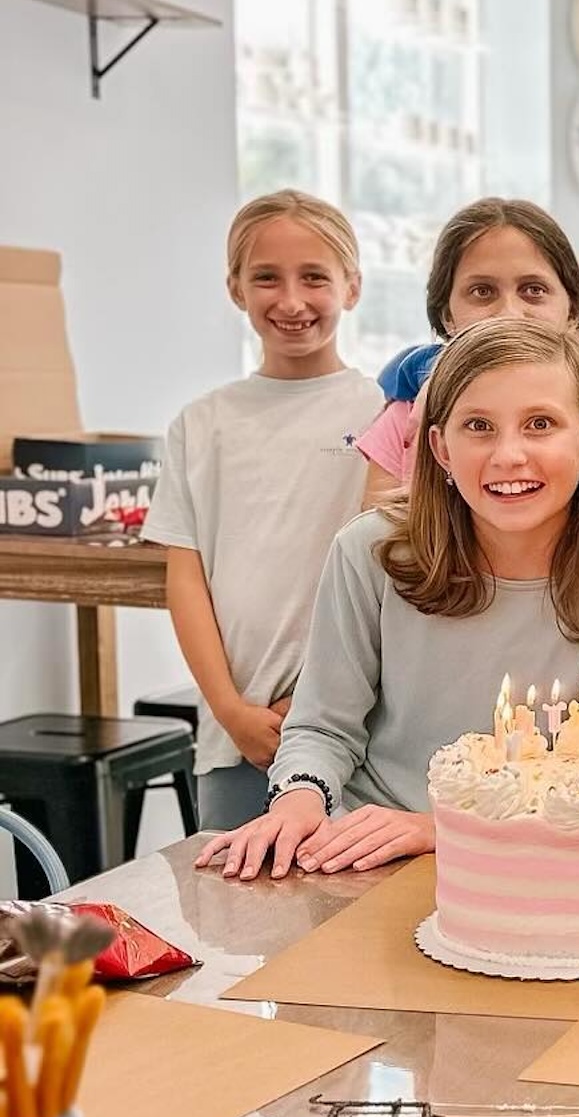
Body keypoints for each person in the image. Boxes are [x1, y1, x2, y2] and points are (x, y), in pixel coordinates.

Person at [195, 318, 579, 881]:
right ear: (441, 449)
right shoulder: (369, 554)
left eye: (540, 424)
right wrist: (299, 799)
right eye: (479, 426)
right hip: (363, 861)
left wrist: (445, 830)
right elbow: (322, 727)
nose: (509, 455)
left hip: (538, 874)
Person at [144, 190, 384, 830]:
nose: (291, 300)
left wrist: (313, 696)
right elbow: (186, 577)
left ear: (352, 287)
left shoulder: (382, 414)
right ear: (235, 289)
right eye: (266, 278)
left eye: (315, 278)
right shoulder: (201, 424)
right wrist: (228, 708)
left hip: (354, 731)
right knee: (229, 914)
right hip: (237, 735)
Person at [353, 198, 579, 501]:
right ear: (447, 316)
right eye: (482, 292)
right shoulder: (407, 420)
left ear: (573, 310)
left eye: (533, 290)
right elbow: (377, 542)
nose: (509, 313)